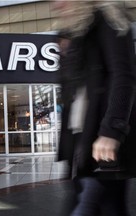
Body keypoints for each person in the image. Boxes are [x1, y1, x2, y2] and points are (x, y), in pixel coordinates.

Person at [56, 1, 136, 216]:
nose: (56, 5)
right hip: (85, 142)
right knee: (111, 207)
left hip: (102, 141)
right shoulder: (81, 30)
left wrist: (111, 131)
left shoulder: (109, 16)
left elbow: (123, 77)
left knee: (88, 206)